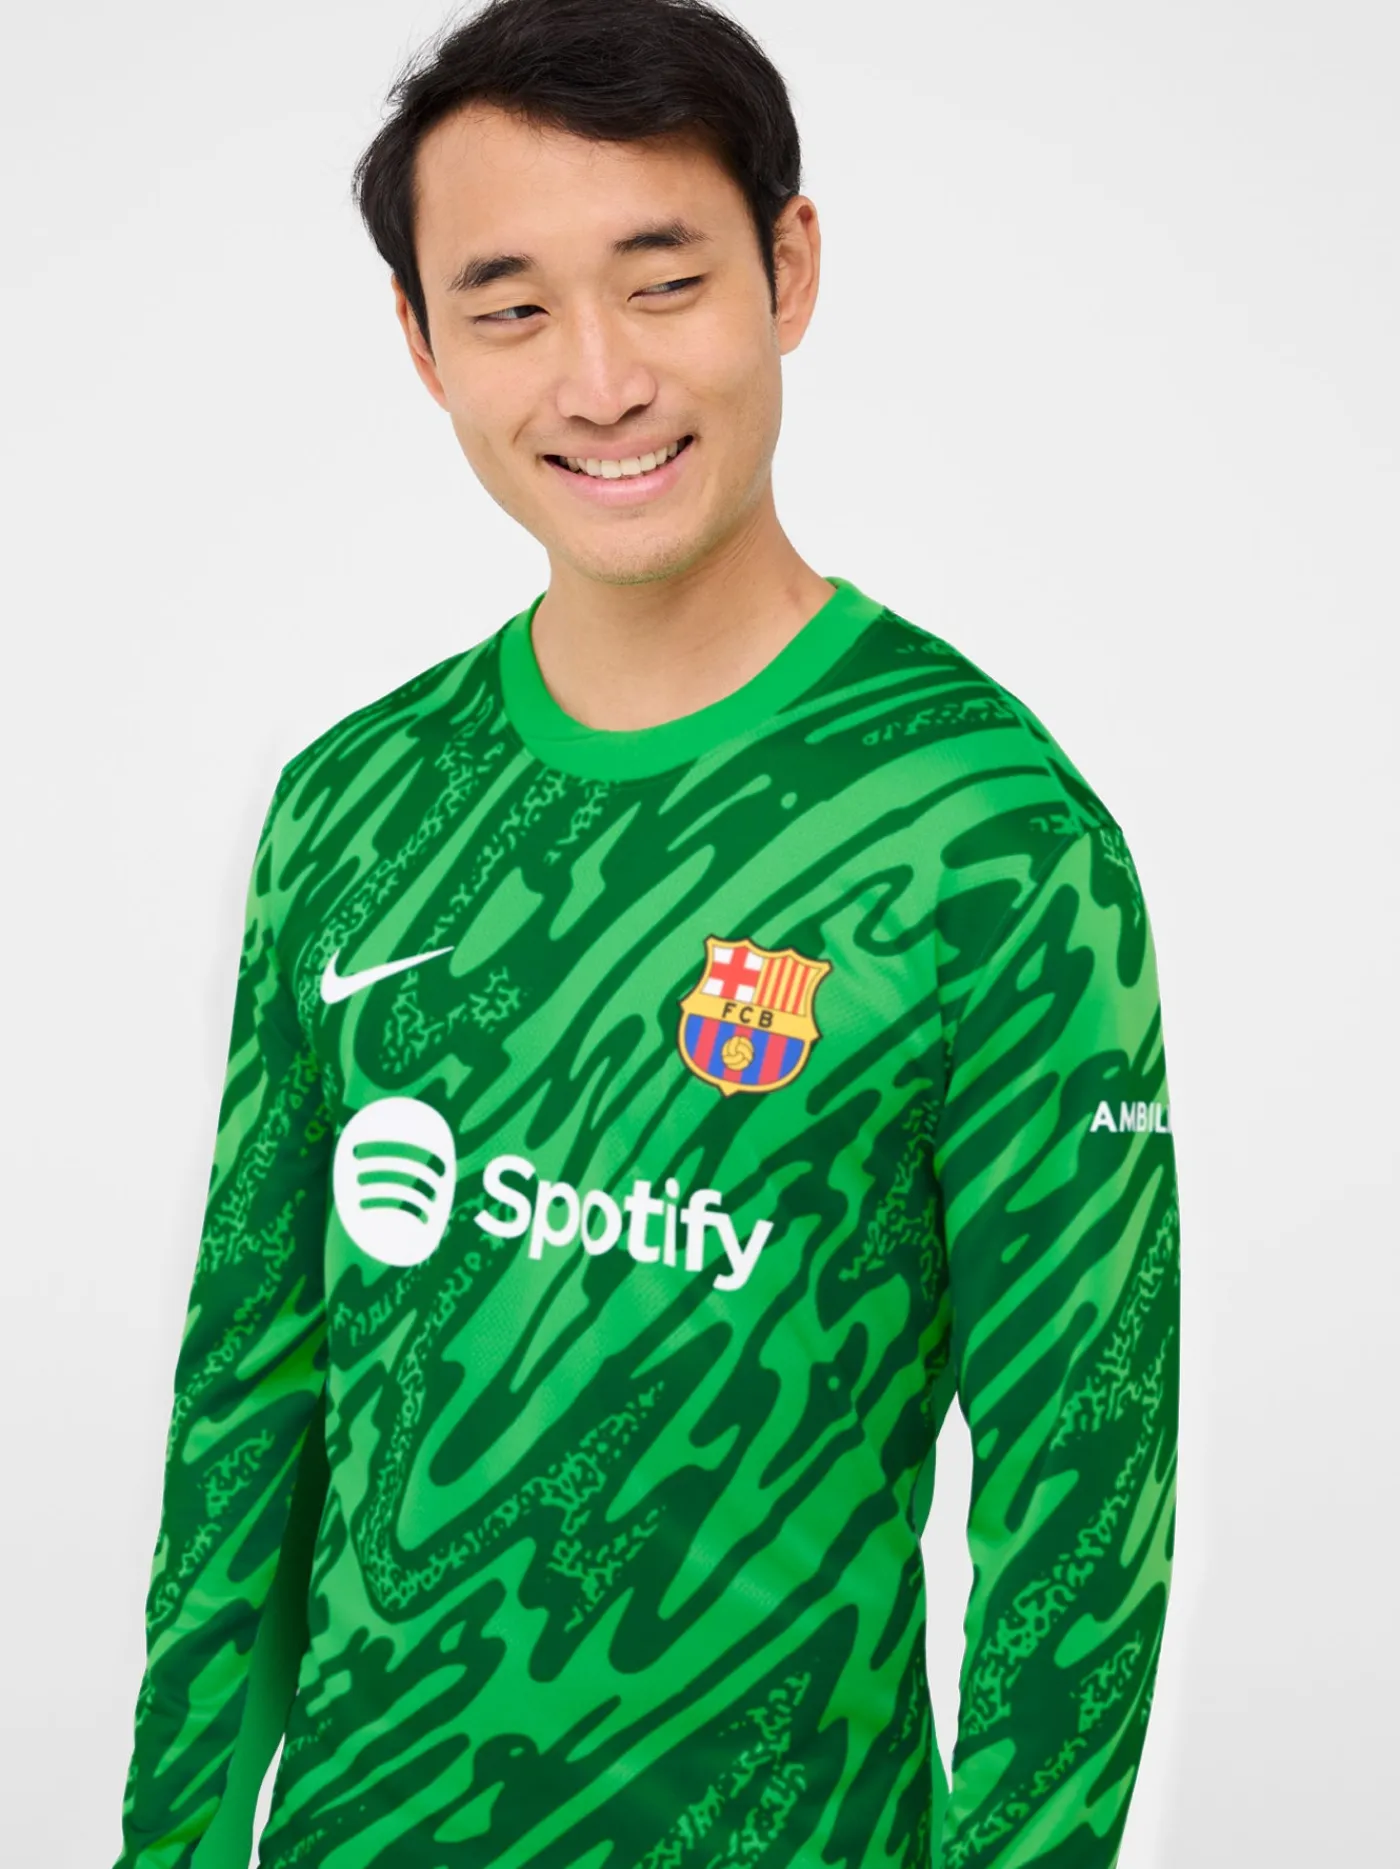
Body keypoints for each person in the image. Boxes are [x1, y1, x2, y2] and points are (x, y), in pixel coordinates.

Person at [111, 1, 1181, 1864]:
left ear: (788, 269)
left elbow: (1083, 1508)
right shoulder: (352, 805)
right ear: (423, 345)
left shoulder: (993, 842)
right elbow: (247, 1421)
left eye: (663, 282)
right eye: (511, 309)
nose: (599, 381)